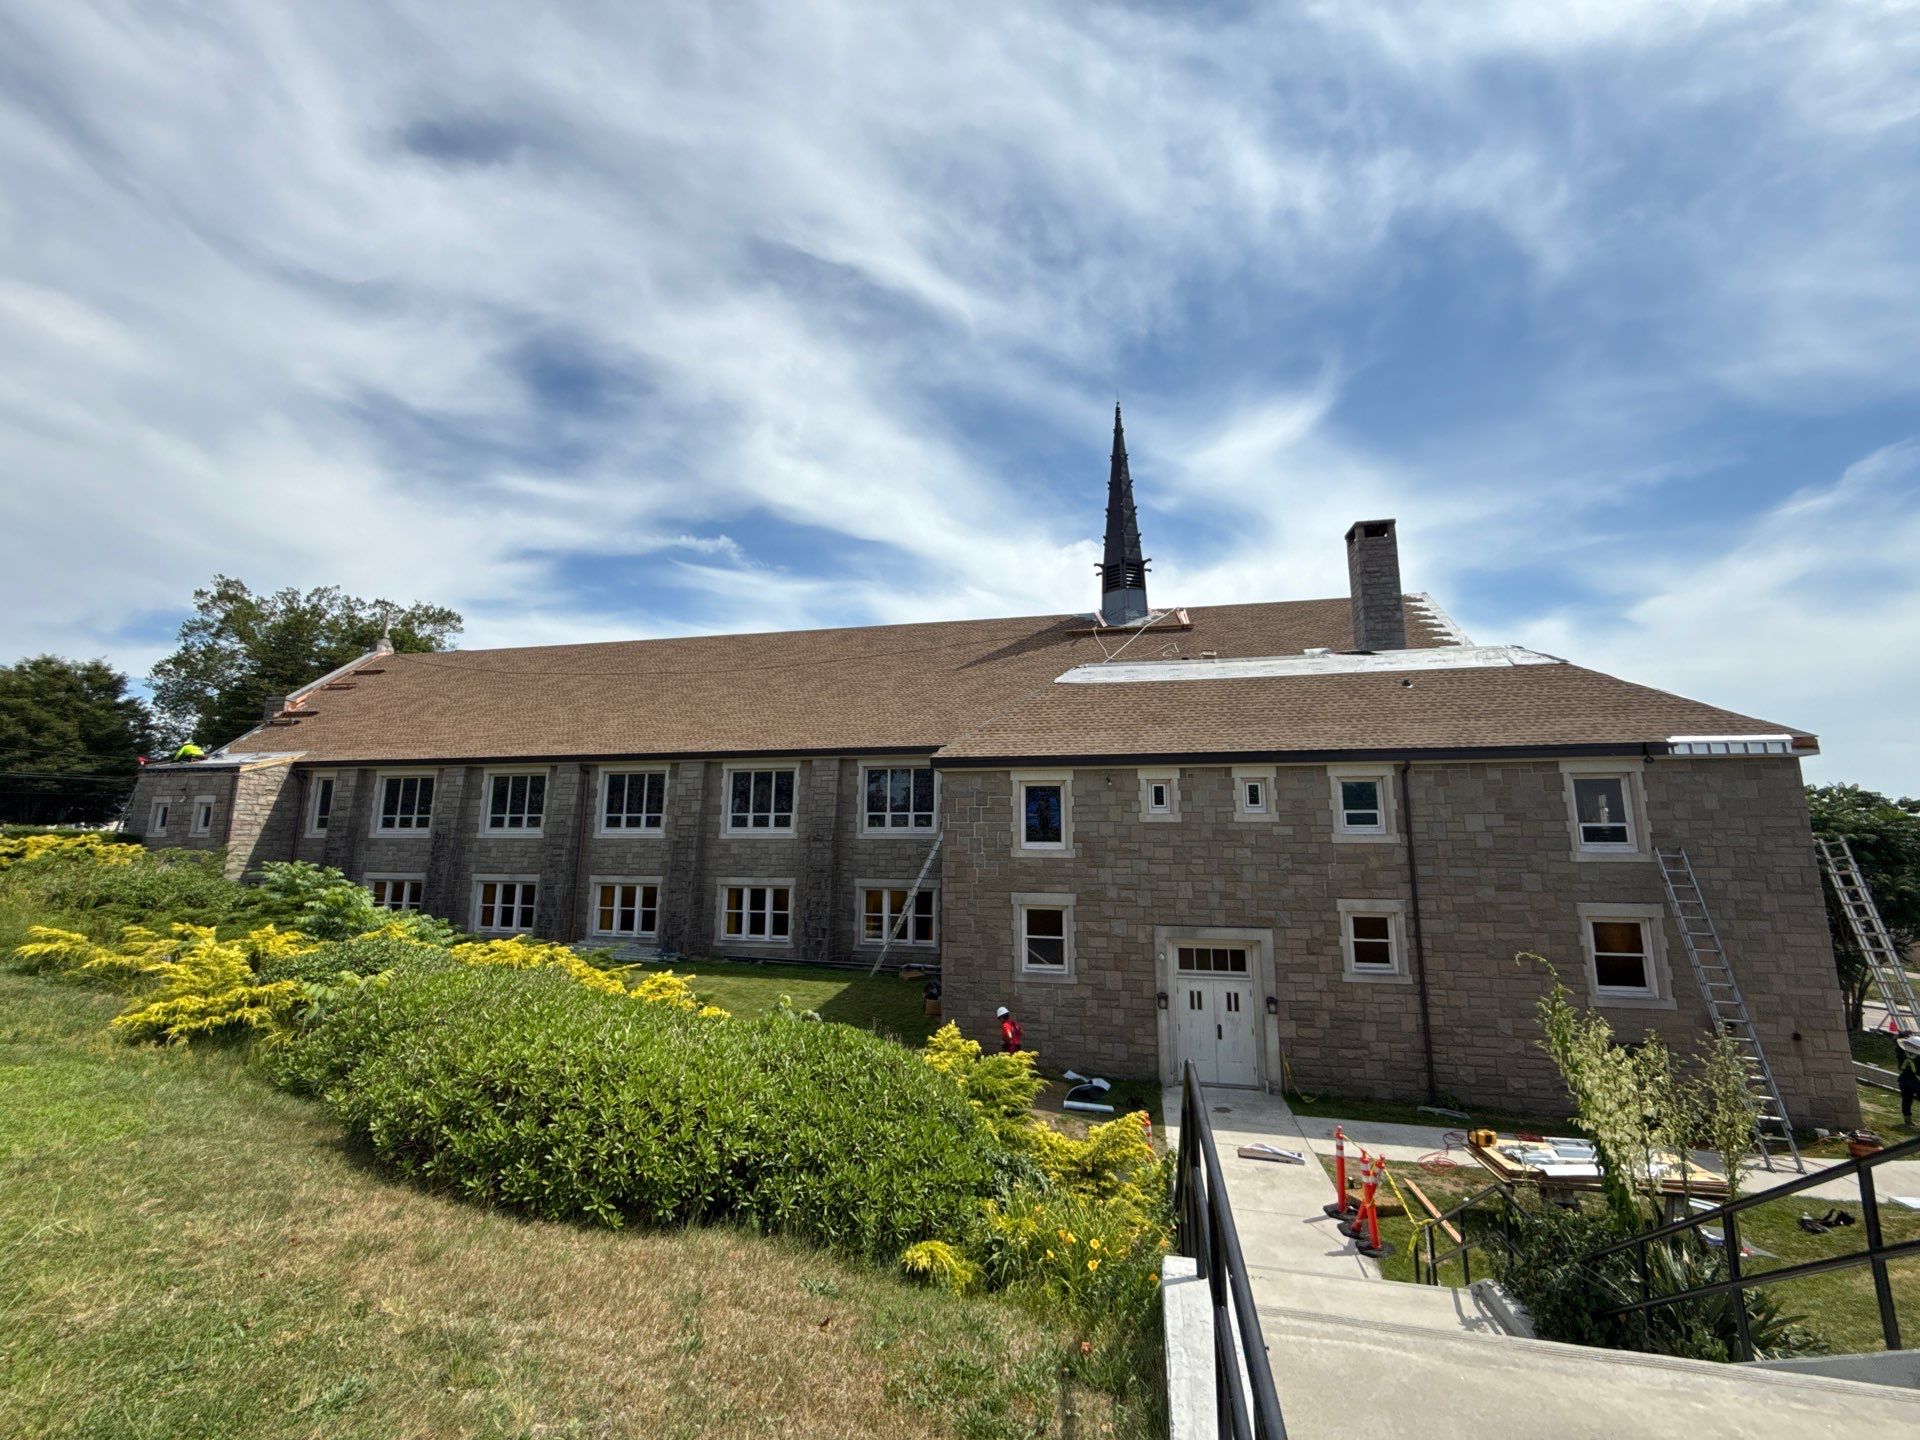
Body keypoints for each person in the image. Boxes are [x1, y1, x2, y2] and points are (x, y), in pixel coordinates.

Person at [1897, 1034, 1920, 1128]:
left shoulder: (1901, 1053)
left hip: (1903, 1080)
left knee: (1906, 1100)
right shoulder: (1919, 1057)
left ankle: (1907, 1120)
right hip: (1917, 1082)